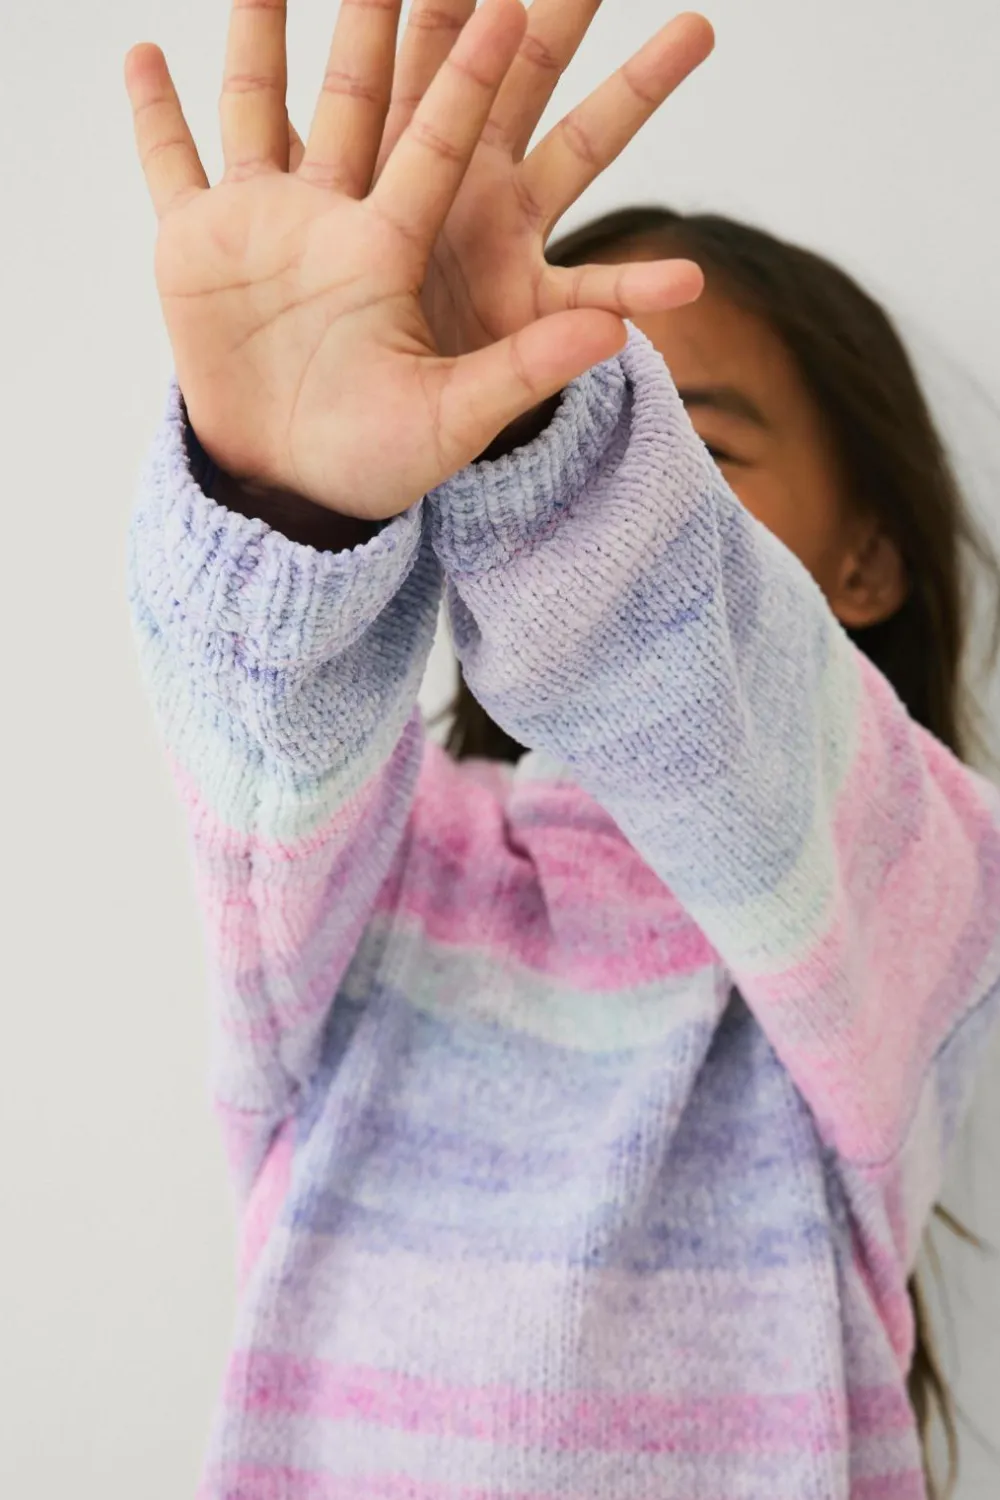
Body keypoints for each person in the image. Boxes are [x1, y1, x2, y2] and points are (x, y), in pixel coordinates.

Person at [124, 2, 1000, 1497]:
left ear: (867, 560)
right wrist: (288, 493)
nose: (634, 487)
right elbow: (260, 739)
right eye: (505, 417)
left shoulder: (924, 876)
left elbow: (725, 717)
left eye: (697, 454)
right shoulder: (385, 864)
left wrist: (548, 455)